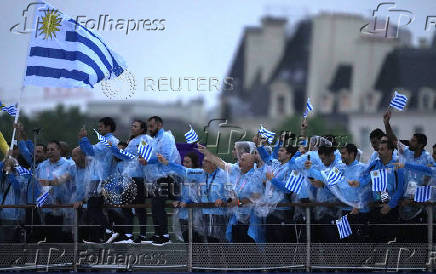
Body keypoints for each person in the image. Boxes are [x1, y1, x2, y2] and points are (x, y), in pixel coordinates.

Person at [350, 138, 406, 243]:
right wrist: (357, 183)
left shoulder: (397, 166)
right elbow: (364, 179)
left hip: (391, 208)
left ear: (390, 151)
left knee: (390, 240)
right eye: (379, 149)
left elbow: (400, 189)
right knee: (375, 240)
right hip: (376, 207)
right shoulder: (375, 164)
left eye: (382, 149)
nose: (379, 151)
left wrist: (389, 206)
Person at [109, 120, 152, 243]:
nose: (132, 128)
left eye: (135, 126)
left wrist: (114, 148)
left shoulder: (143, 139)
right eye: (132, 126)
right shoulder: (133, 140)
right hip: (129, 177)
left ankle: (142, 235)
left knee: (139, 207)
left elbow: (133, 156)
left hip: (137, 177)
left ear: (142, 129)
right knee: (126, 205)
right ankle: (128, 234)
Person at [79, 117, 119, 243]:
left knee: (93, 206)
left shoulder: (109, 141)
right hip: (97, 177)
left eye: (101, 126)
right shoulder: (104, 140)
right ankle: (101, 234)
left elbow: (91, 151)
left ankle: (109, 229)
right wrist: (82, 140)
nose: (99, 128)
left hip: (101, 178)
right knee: (94, 207)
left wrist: (84, 138)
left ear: (108, 127)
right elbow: (87, 151)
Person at [143, 116, 180, 246]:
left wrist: (147, 160)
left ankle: (164, 234)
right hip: (159, 178)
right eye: (148, 127)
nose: (149, 129)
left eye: (151, 126)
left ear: (159, 125)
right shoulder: (154, 140)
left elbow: (165, 158)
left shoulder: (166, 138)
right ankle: (159, 233)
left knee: (157, 203)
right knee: (155, 205)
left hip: (169, 177)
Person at [36, 140, 73, 243]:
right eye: (47, 150)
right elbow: (39, 186)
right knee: (51, 239)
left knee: (66, 239)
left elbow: (71, 185)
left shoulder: (68, 165)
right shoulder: (42, 166)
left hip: (65, 209)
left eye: (52, 149)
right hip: (48, 209)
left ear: (59, 150)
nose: (49, 152)